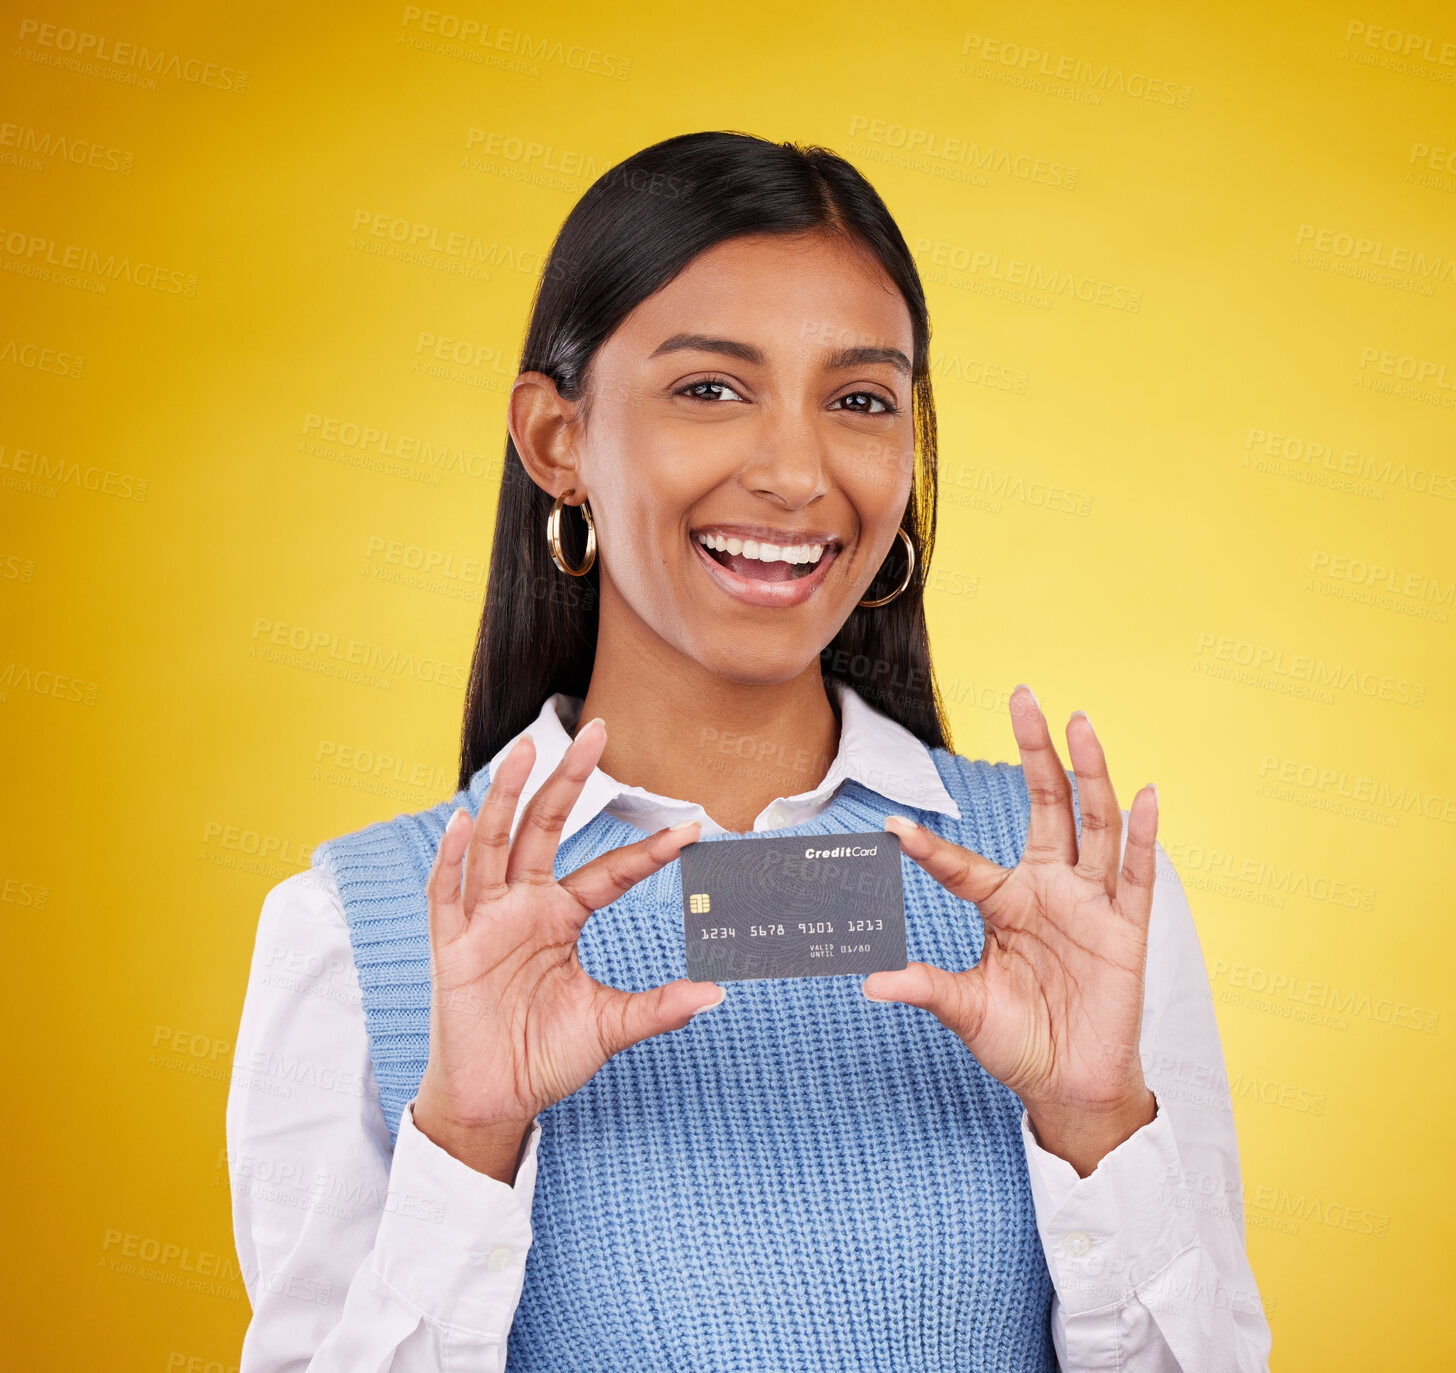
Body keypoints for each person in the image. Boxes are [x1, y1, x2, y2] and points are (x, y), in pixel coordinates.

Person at [227, 131, 1272, 1371]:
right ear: (556, 440)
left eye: (861, 400)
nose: (793, 470)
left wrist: (1094, 1119)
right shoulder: (368, 933)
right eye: (710, 388)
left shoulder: (1076, 904)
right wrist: (468, 1138)